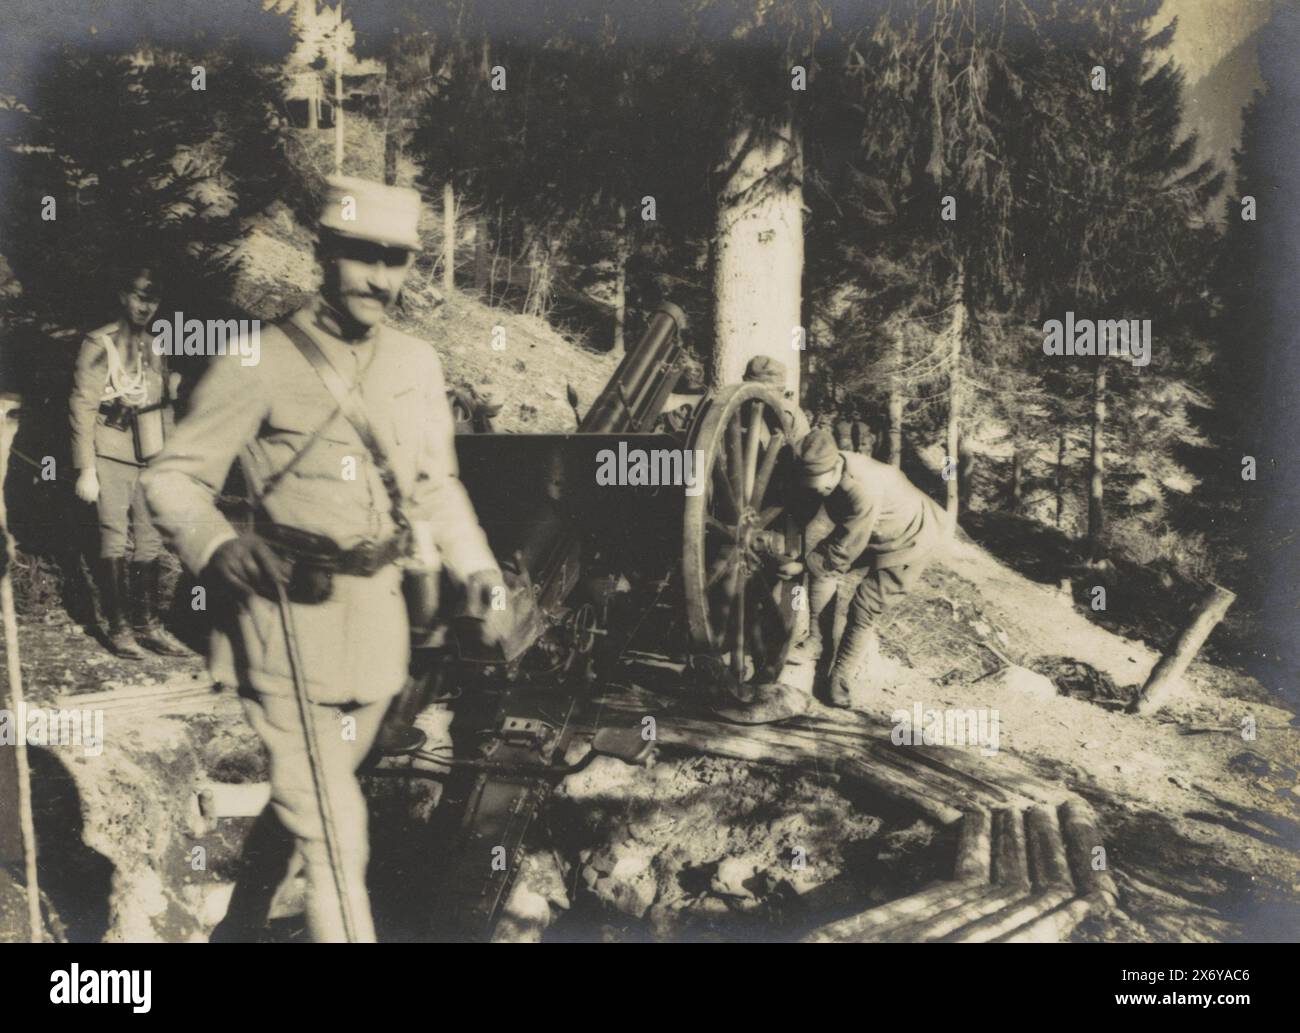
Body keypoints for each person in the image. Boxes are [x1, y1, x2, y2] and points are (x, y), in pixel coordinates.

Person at [142, 175, 506, 942]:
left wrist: (478, 570)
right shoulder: (258, 359)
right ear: (323, 253)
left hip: (379, 631)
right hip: (286, 626)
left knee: (317, 798)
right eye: (362, 256)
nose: (380, 277)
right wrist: (216, 542)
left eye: (397, 260)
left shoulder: (415, 363)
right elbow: (173, 476)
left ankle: (238, 928)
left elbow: (437, 486)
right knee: (338, 828)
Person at [69, 266, 188, 658]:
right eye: (138, 296)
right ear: (123, 296)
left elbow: (163, 408)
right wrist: (85, 468)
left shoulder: (157, 346)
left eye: (152, 299)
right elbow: (82, 407)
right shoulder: (98, 343)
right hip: (111, 450)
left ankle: (148, 625)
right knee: (114, 535)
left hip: (150, 452)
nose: (144, 306)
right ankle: (120, 629)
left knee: (151, 537)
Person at [789, 429, 943, 707]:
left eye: (823, 485)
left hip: (912, 537)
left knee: (864, 606)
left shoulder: (861, 488)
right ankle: (818, 641)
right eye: (811, 484)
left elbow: (844, 549)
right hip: (876, 528)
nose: (820, 490)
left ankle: (840, 678)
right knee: (822, 570)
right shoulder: (829, 468)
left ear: (836, 467)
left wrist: (800, 564)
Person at [742, 355, 811, 444]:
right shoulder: (734, 410)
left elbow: (803, 447)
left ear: (782, 391)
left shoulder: (790, 412)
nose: (759, 398)